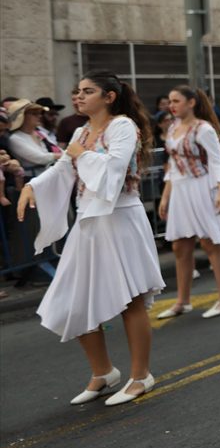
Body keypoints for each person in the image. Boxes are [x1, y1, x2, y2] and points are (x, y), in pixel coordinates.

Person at [17, 72, 164, 405]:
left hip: (120, 218)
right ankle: (103, 372)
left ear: (109, 96)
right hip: (88, 220)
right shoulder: (83, 131)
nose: (78, 97)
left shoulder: (123, 126)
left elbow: (114, 168)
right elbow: (63, 168)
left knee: (131, 300)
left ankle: (141, 376)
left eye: (87, 91)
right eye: (77, 91)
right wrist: (32, 186)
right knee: (73, 299)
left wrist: (80, 154)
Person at [156, 85, 220, 320]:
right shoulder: (174, 127)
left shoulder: (203, 129)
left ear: (191, 103)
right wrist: (165, 197)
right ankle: (182, 301)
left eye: (176, 101)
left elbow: (217, 161)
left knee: (210, 244)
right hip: (181, 189)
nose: (171, 105)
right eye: (170, 101)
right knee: (180, 246)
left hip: (202, 186)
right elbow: (173, 167)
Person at [6, 100, 61, 171]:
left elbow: (58, 150)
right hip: (32, 178)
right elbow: (40, 158)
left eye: (40, 113)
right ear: (22, 117)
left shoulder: (40, 133)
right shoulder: (15, 138)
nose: (39, 116)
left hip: (50, 174)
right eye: (34, 114)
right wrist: (63, 155)